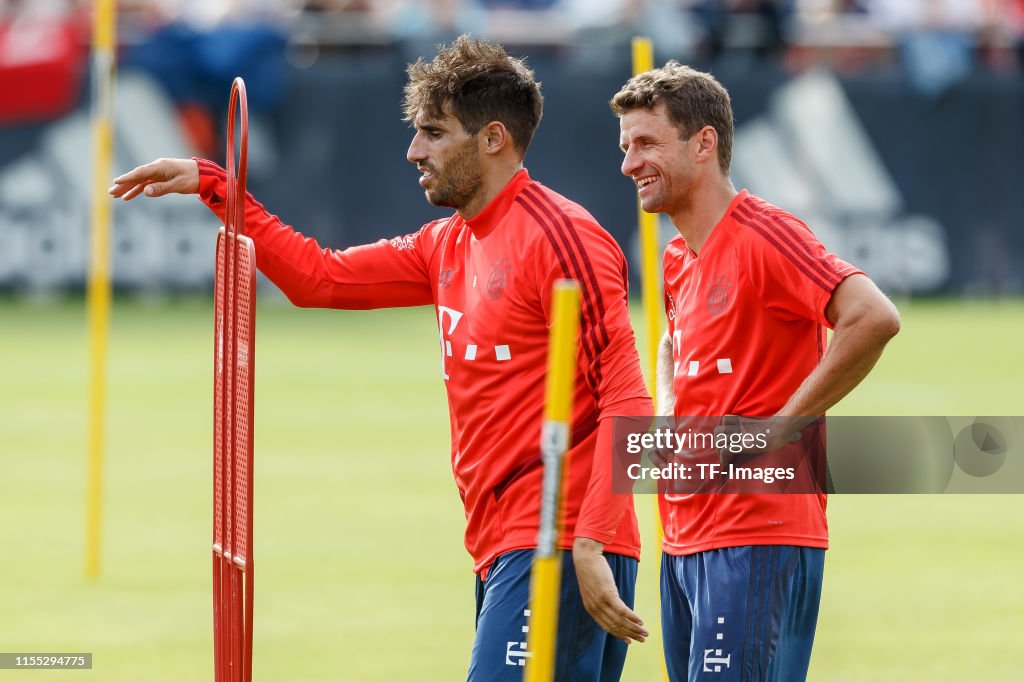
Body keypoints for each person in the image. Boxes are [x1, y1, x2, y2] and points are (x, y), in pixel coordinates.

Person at [111, 35, 651, 681]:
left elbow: (629, 399)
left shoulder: (562, 237)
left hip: (559, 540)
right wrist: (219, 189)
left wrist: (589, 541)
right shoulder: (446, 243)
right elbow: (321, 279)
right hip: (504, 541)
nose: (413, 151)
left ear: (493, 138)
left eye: (432, 133)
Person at [610, 62, 901, 681]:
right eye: (626, 146)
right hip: (685, 538)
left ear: (704, 143)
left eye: (646, 143)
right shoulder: (675, 258)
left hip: (758, 531)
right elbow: (671, 343)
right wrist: (665, 418)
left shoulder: (766, 235)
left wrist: (776, 429)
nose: (629, 164)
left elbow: (872, 316)